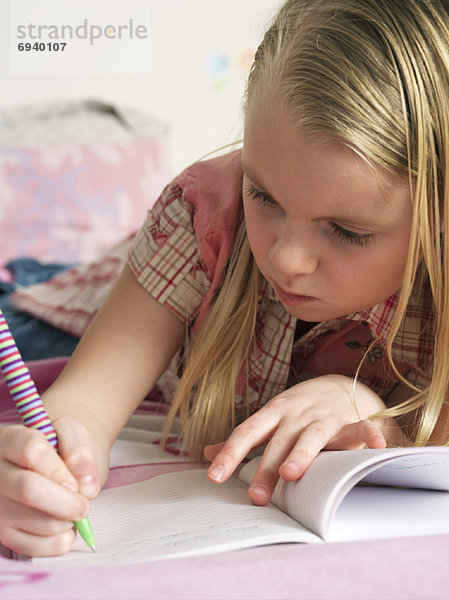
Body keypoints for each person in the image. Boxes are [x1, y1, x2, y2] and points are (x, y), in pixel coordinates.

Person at [1, 0, 449, 557]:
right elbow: (84, 405)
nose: (287, 259)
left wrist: (379, 419)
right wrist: (45, 470)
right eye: (262, 195)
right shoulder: (204, 216)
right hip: (63, 315)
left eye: (346, 230)